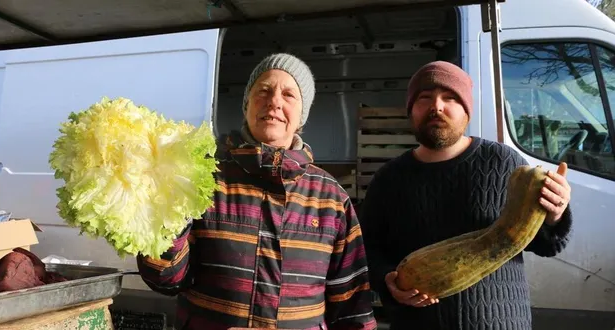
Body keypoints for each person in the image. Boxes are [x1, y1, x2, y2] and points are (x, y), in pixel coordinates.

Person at [137, 53, 377, 330]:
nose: (274, 101)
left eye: (289, 94)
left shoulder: (330, 197)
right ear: (247, 104)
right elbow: (165, 279)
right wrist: (166, 215)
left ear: (302, 116)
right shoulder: (201, 178)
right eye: (263, 90)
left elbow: (353, 306)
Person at [359, 61, 573, 330]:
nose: (437, 106)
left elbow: (545, 245)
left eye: (450, 98)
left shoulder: (504, 162)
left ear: (466, 111)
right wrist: (387, 281)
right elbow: (367, 251)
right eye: (425, 98)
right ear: (411, 111)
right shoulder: (388, 178)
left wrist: (555, 214)